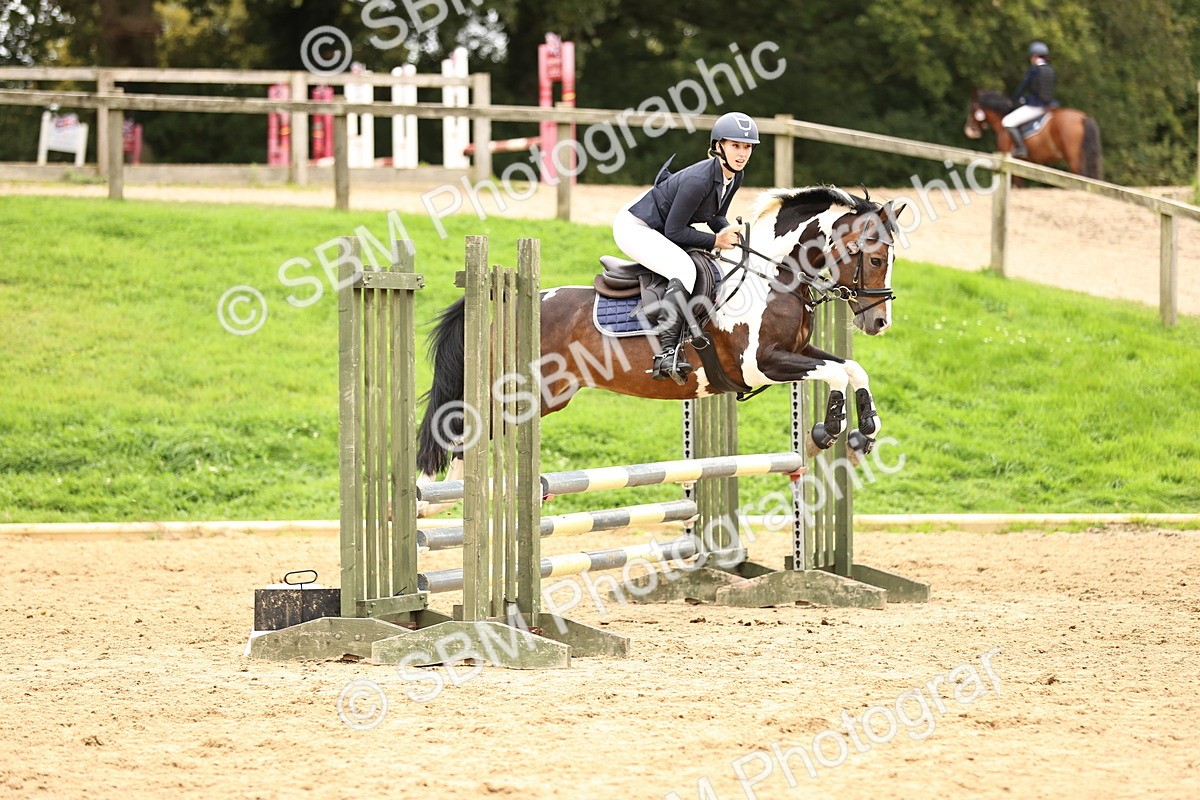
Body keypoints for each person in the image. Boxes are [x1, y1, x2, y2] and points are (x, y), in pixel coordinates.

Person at [612, 111, 758, 382]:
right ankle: (666, 353)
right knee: (685, 270)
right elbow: (674, 231)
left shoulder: (735, 175)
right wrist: (716, 241)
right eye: (735, 145)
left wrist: (728, 233)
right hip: (635, 226)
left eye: (747, 147)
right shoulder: (699, 180)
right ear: (718, 146)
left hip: (659, 226)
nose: (742, 153)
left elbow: (715, 216)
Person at [1003, 41, 1056, 158]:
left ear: (1035, 56)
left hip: (1035, 107)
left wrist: (1013, 101)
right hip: (1049, 106)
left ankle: (1021, 148)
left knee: (1007, 122)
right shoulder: (1051, 70)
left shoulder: (1034, 70)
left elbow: (1023, 87)